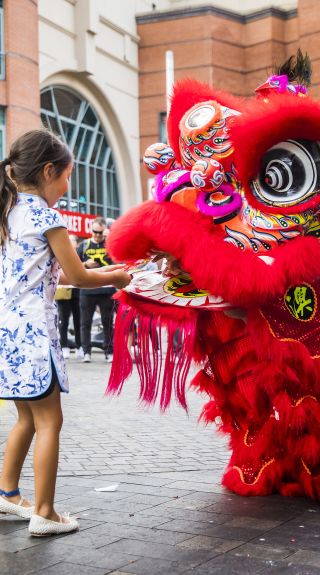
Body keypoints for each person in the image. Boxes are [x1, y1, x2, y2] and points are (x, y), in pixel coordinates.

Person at [0, 129, 131, 537]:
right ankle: (44, 511)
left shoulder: (9, 212)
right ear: (48, 170)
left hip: (8, 334)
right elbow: (77, 274)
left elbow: (64, 275)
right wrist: (122, 277)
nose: (67, 187)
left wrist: (105, 273)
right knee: (50, 422)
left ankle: (7, 494)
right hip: (36, 337)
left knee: (26, 418)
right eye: (67, 177)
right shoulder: (46, 216)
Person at [77, 217, 117, 363]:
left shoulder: (109, 244)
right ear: (91, 230)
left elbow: (118, 262)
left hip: (106, 290)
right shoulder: (84, 245)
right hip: (87, 290)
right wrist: (85, 264)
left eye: (100, 233)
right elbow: (73, 265)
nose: (97, 235)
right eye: (95, 232)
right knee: (85, 322)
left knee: (107, 321)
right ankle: (86, 351)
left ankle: (109, 351)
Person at [55, 234, 83, 359]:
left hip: (77, 292)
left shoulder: (80, 254)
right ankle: (64, 346)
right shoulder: (60, 254)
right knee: (63, 321)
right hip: (63, 293)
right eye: (69, 241)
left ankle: (79, 346)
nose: (71, 244)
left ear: (76, 244)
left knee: (78, 320)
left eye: (73, 242)